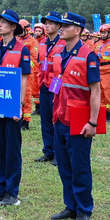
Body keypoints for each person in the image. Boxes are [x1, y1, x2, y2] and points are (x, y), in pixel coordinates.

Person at [49, 12, 99, 220]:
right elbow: (57, 84)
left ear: (78, 30)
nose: (61, 28)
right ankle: (71, 206)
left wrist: (93, 122)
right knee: (64, 165)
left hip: (80, 116)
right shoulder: (59, 53)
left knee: (79, 165)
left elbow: (96, 92)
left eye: (66, 26)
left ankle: (84, 208)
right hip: (60, 115)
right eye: (60, 25)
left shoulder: (89, 56)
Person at [0, 10, 31, 207]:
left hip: (12, 106)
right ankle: (0, 188)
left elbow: (24, 79)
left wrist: (19, 105)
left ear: (13, 27)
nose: (0, 25)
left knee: (12, 150)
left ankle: (12, 191)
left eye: (4, 22)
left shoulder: (22, 50)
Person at [35, 12, 63, 165]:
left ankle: (59, 154)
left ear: (59, 26)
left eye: (51, 23)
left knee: (57, 120)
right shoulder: (42, 43)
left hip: (57, 86)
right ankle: (48, 151)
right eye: (46, 23)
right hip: (44, 85)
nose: (47, 25)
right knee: (45, 120)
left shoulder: (63, 43)